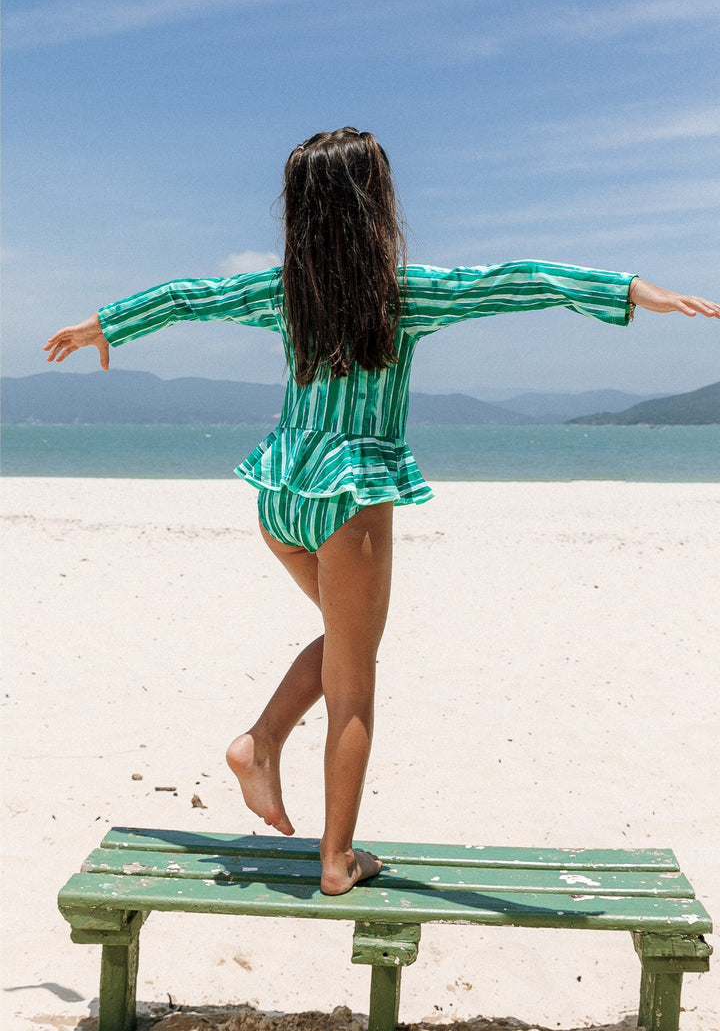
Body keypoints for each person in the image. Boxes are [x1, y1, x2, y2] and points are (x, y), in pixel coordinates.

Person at [44, 127, 719, 895]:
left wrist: (106, 322)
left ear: (300, 210)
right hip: (350, 496)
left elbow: (188, 297)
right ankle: (334, 860)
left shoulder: (281, 293)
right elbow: (518, 280)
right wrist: (631, 289)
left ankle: (260, 742)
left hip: (280, 495)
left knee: (343, 642)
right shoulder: (406, 294)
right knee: (356, 679)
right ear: (377, 204)